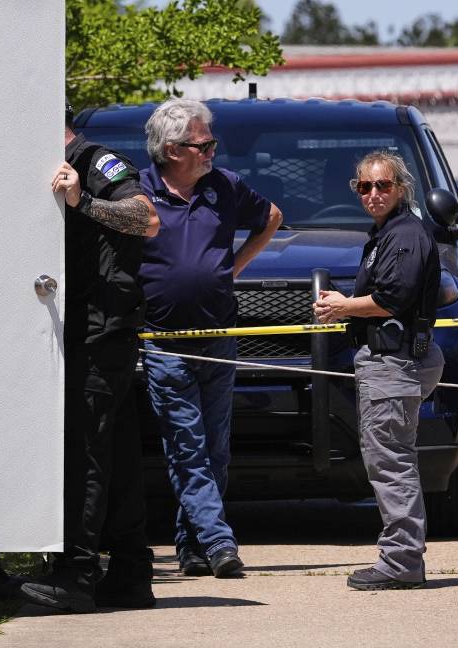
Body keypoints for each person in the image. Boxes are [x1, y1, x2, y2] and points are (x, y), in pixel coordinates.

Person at [16, 104, 161, 613]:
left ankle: (75, 575)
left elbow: (147, 218)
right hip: (88, 334)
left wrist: (83, 200)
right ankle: (130, 575)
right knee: (117, 459)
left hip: (100, 335)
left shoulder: (94, 160)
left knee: (85, 456)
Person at [138, 99, 282, 578]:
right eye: (203, 145)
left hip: (219, 338)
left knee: (215, 449)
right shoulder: (137, 190)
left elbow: (271, 217)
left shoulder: (225, 186)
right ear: (172, 150)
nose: (211, 151)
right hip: (164, 343)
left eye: (211, 142)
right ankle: (219, 542)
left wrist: (232, 269)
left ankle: (193, 547)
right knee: (187, 446)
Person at [314, 151, 444, 590]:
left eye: (382, 185)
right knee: (391, 459)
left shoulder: (405, 235)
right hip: (391, 361)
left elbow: (392, 298)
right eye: (364, 186)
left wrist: (343, 306)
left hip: (394, 362)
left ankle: (401, 561)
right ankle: (402, 558)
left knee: (391, 464)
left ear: (401, 188)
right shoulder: (389, 233)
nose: (372, 194)